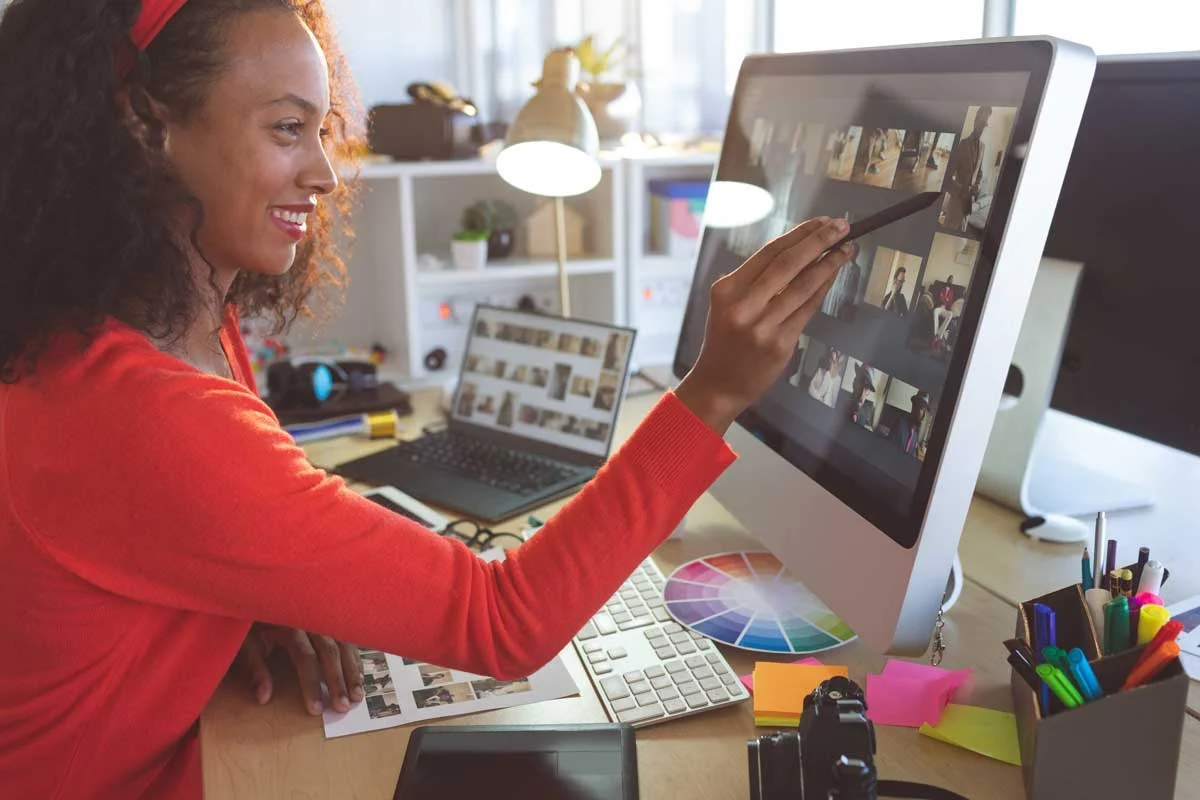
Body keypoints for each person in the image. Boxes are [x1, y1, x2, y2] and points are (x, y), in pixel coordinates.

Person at [0, 2, 856, 797]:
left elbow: (150, 548)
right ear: (149, 130)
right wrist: (712, 393)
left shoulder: (148, 327)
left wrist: (246, 607)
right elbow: (503, 621)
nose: (326, 173)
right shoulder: (143, 410)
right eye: (288, 129)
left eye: (321, 129)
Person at [940, 105, 991, 232]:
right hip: (956, 202)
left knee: (961, 232)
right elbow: (946, 177)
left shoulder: (983, 147)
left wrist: (977, 186)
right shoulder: (962, 145)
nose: (981, 127)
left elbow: (979, 172)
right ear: (975, 121)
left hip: (968, 204)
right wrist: (960, 191)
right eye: (980, 122)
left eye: (984, 124)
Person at [889, 390, 930, 456]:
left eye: (925, 410)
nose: (924, 415)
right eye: (922, 408)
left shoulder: (916, 433)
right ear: (914, 407)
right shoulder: (899, 425)